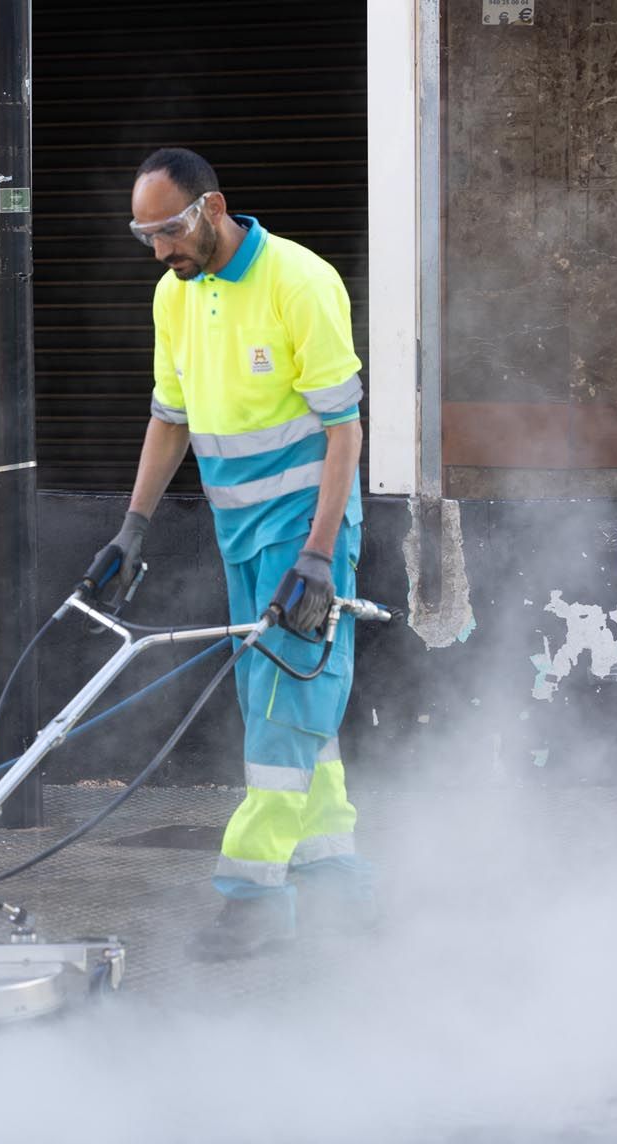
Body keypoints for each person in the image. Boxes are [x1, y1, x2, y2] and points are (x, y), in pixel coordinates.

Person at [88, 147, 370, 961]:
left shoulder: (300, 282)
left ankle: (253, 896)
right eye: (144, 236)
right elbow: (168, 418)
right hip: (239, 535)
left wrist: (319, 557)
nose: (160, 251)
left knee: (280, 701)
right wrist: (130, 529)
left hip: (304, 534)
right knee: (293, 706)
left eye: (169, 230)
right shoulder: (174, 298)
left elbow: (343, 430)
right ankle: (338, 878)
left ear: (212, 207)